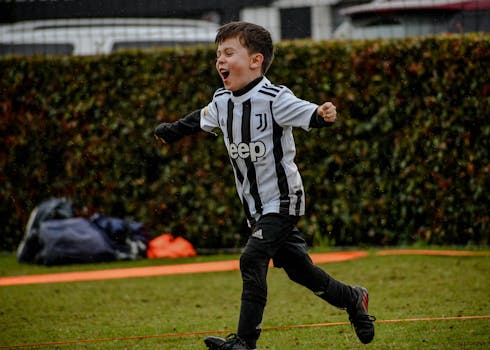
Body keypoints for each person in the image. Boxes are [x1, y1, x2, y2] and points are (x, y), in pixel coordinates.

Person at [154, 21, 375, 350]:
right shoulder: (222, 101)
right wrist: (171, 130)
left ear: (256, 60)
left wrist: (321, 113)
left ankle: (244, 342)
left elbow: (305, 111)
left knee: (251, 258)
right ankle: (353, 299)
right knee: (300, 271)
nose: (220, 61)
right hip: (256, 209)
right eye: (218, 55)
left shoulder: (273, 97)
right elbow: (199, 119)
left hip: (284, 201)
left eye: (229, 53)